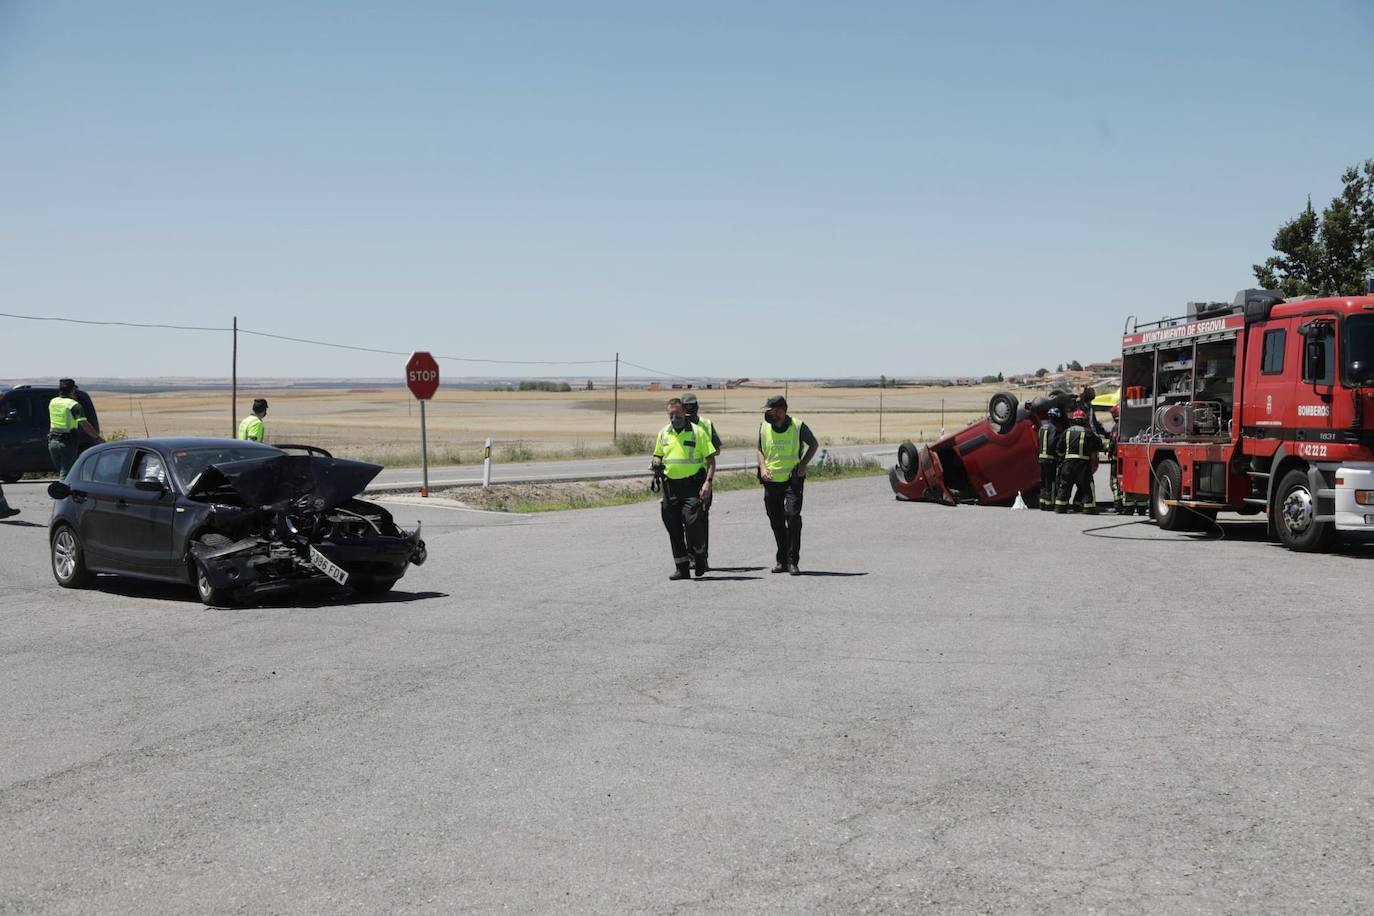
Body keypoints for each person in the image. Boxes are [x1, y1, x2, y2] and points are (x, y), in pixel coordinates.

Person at [651, 397, 717, 580]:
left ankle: (700, 557)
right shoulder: (664, 433)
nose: (674, 417)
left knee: (692, 523)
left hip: (693, 486)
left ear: (684, 412)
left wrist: (708, 483)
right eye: (671, 414)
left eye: (678, 413)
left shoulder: (698, 432)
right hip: (670, 487)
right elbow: (658, 454)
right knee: (673, 527)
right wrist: (656, 462)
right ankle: (682, 567)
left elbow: (711, 460)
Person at [757, 395, 818, 575]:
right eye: (768, 410)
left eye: (772, 410)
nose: (769, 413)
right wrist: (762, 467)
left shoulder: (798, 426)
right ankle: (782, 560)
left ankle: (793, 561)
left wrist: (803, 463)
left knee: (792, 517)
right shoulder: (763, 427)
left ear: (782, 410)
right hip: (771, 480)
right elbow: (759, 450)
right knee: (776, 521)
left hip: (792, 480)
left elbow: (814, 444)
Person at [680, 392, 721, 569]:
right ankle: (691, 556)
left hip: (703, 476)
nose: (689, 412)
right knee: (687, 519)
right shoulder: (676, 425)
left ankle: (701, 556)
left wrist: (703, 449)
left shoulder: (705, 424)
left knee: (701, 517)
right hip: (682, 479)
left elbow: (717, 450)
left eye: (691, 409)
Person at [48, 378, 102, 479]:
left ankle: (64, 492)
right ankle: (64, 494)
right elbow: (85, 425)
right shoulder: (73, 405)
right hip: (67, 442)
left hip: (52, 441)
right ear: (73, 390)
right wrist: (98, 438)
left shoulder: (53, 402)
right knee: (66, 474)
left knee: (62, 471)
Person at [1053, 407, 1101, 514]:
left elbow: (1059, 449)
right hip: (1082, 465)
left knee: (1065, 485)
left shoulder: (1066, 432)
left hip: (1068, 464)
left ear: (1073, 420)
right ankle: (1089, 508)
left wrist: (1064, 457)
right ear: (1084, 420)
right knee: (1087, 486)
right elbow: (1099, 445)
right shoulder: (1088, 433)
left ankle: (1060, 507)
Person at [1036, 406, 1062, 512]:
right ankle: (1050, 504)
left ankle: (1042, 503)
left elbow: (1039, 442)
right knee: (1051, 482)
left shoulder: (1042, 428)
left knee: (1043, 482)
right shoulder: (1055, 428)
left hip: (1041, 459)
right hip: (1050, 460)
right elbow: (1052, 444)